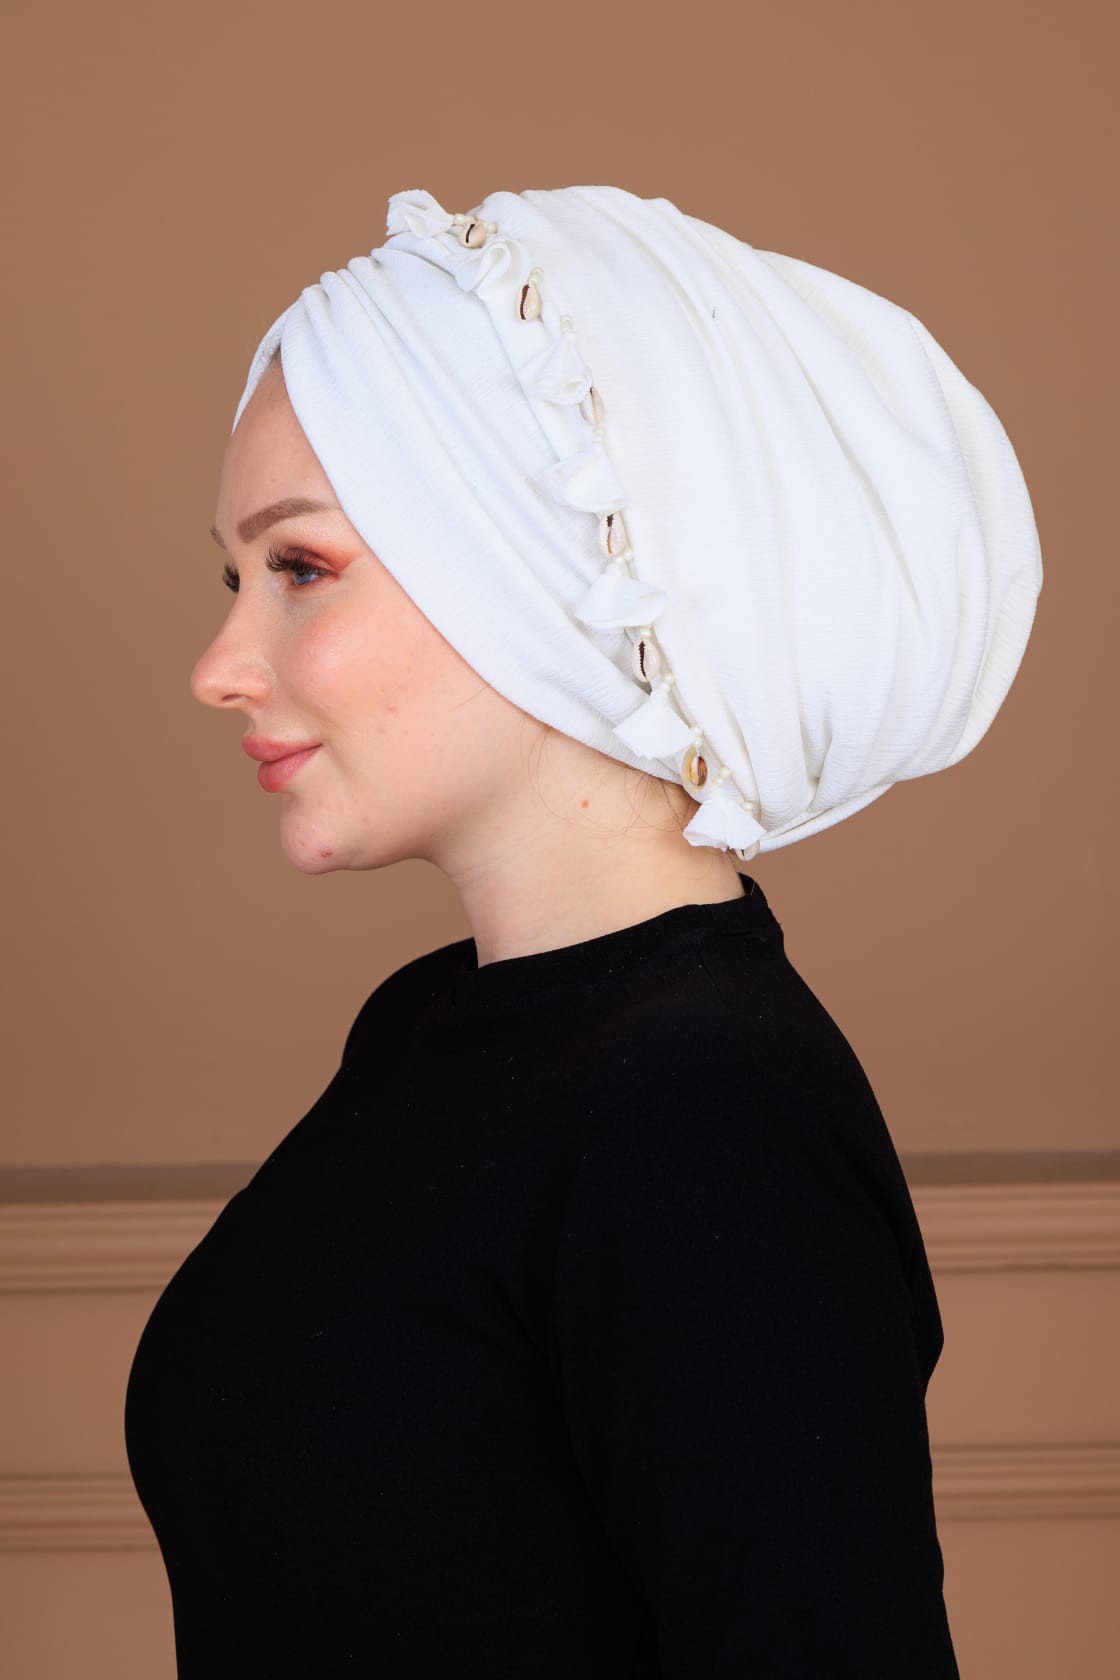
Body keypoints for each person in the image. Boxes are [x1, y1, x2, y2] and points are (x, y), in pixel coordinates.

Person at [125, 184, 1042, 1677]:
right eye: (239, 580)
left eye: (301, 569)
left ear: (535, 564)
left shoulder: (698, 1113)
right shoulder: (441, 1029)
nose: (221, 665)